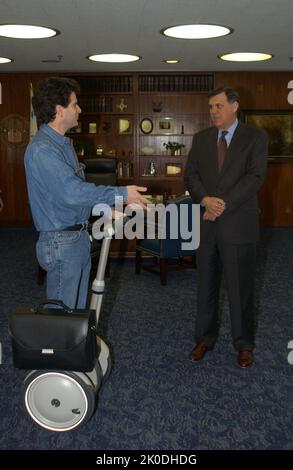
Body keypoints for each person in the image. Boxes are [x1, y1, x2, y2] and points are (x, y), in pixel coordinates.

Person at [24, 77, 148, 309]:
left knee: (75, 313)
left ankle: (74, 346)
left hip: (75, 238)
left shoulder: (61, 145)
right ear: (59, 110)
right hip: (61, 242)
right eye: (74, 104)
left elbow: (68, 197)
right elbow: (71, 193)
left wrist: (105, 209)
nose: (79, 109)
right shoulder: (43, 149)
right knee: (62, 320)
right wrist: (120, 193)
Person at [184, 86, 268, 368]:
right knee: (206, 286)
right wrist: (205, 199)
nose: (213, 112)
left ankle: (244, 344)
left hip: (238, 225)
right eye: (210, 107)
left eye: (218, 106)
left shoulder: (255, 137)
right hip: (207, 226)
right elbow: (191, 175)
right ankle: (204, 339)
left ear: (234, 106)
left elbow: (255, 177)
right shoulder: (201, 138)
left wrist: (221, 204)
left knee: (240, 288)